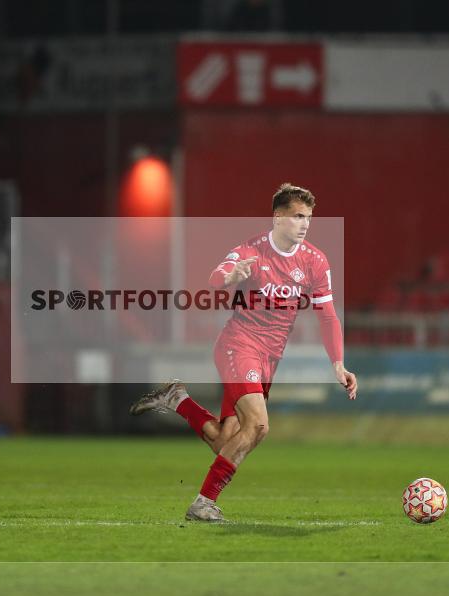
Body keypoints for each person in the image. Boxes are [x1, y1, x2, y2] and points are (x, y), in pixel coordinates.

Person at [130, 183, 357, 522]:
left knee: (226, 440)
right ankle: (203, 503)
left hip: (269, 358)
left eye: (308, 217)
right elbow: (216, 277)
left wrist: (338, 363)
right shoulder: (252, 250)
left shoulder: (314, 261)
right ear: (278, 217)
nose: (305, 224)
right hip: (239, 345)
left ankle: (177, 399)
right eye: (297, 216)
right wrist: (231, 275)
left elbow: (327, 314)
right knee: (259, 426)